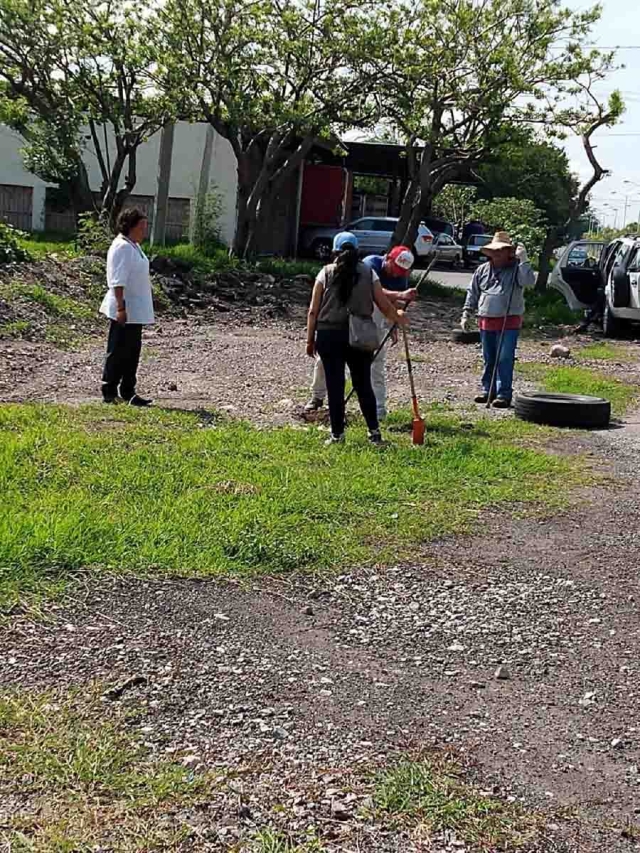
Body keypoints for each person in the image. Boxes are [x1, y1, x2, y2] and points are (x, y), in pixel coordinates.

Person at [306, 232, 408, 445]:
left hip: (329, 334)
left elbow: (313, 311)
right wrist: (397, 318)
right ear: (357, 250)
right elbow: (383, 304)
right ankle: (374, 433)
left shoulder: (325, 273)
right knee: (363, 384)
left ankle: (337, 435)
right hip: (359, 335)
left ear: (334, 251)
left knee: (335, 385)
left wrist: (310, 339)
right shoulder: (368, 272)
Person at [460, 231, 535, 408]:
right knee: (488, 358)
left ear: (509, 252)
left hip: (509, 321)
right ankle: (488, 390)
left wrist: (524, 260)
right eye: (495, 251)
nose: (497, 254)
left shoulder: (517, 268)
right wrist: (466, 313)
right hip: (486, 320)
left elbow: (528, 281)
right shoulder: (482, 270)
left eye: (501, 250)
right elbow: (473, 292)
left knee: (504, 358)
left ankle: (504, 394)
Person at [100, 207, 154, 406]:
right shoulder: (122, 247)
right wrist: (121, 308)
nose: (144, 230)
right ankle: (109, 389)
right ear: (130, 226)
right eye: (141, 226)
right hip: (125, 308)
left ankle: (128, 390)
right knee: (118, 350)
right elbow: (117, 281)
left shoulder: (133, 246)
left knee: (132, 352)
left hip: (136, 310)